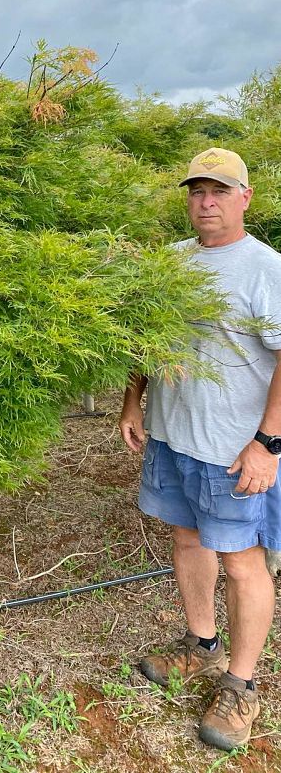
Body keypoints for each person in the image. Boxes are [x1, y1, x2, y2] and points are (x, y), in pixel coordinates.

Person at [119, 146, 281, 752]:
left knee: (242, 560)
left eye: (219, 191)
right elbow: (146, 340)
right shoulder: (170, 263)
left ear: (245, 198)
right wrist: (134, 401)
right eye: (196, 191)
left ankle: (240, 685)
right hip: (172, 436)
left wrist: (268, 443)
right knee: (186, 538)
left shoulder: (266, 269)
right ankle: (201, 645)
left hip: (234, 450)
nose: (206, 202)